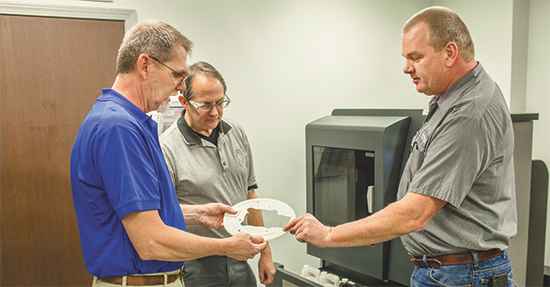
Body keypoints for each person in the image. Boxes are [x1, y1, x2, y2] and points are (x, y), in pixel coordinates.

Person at [284, 6, 517, 287]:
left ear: (450, 53)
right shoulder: (448, 98)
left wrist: (329, 235)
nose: (407, 67)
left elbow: (415, 213)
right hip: (443, 270)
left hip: (464, 275)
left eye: (415, 57)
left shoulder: (469, 112)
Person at [70, 20, 267, 287]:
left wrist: (197, 215)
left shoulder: (128, 122)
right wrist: (228, 247)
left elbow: (136, 215)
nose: (179, 88)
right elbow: (150, 241)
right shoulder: (118, 129)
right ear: (145, 65)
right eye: (177, 75)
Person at [160, 61, 276, 286]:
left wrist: (265, 252)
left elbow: (250, 195)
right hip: (195, 266)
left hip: (240, 257)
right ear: (184, 102)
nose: (215, 113)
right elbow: (162, 213)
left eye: (220, 103)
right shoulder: (166, 148)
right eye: (204, 105)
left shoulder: (236, 133)